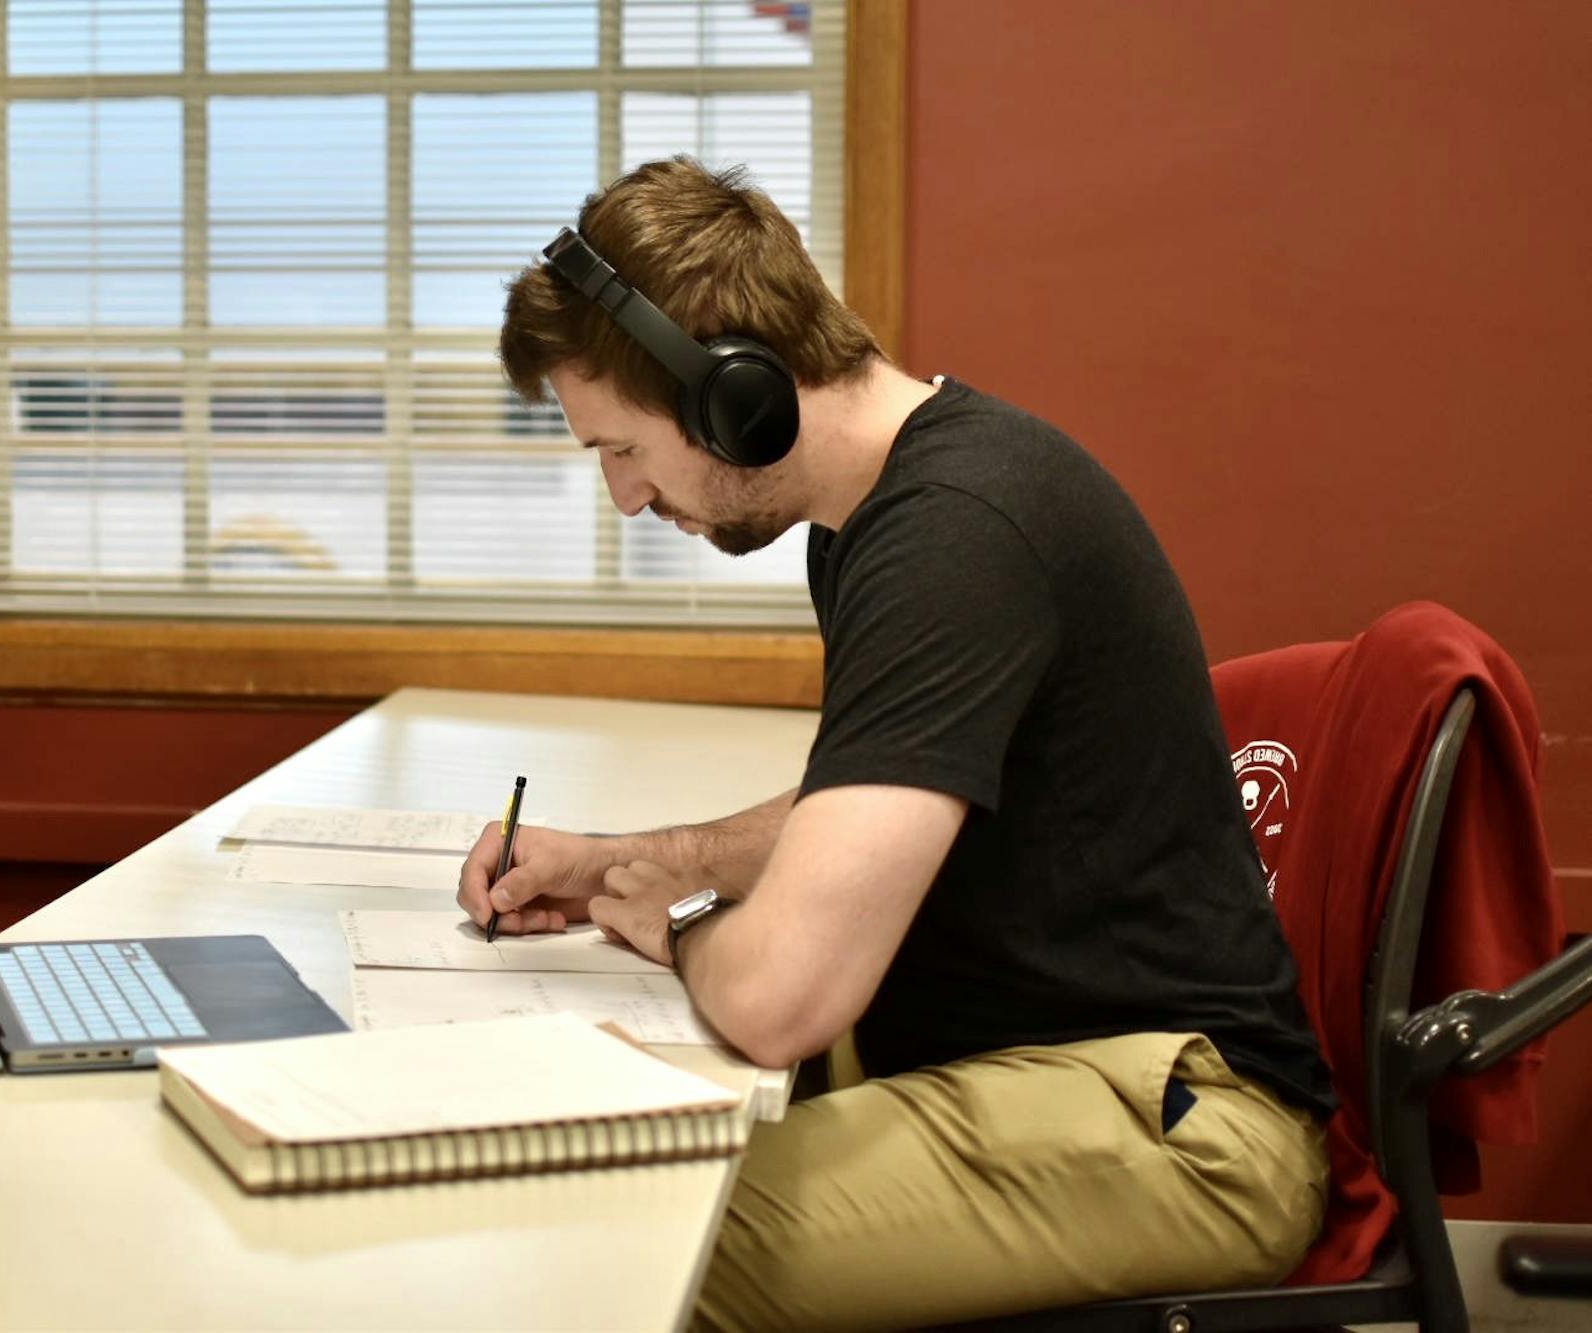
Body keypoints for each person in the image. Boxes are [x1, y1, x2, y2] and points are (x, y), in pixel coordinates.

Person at [458, 157, 1335, 1331]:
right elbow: (871, 804)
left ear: (730, 393)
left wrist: (675, 920)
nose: (625, 496)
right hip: (1054, 1073)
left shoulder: (954, 535)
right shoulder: (878, 515)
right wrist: (624, 862)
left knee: (626, 1244)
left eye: (620, 447)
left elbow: (780, 999)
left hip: (1173, 1127)